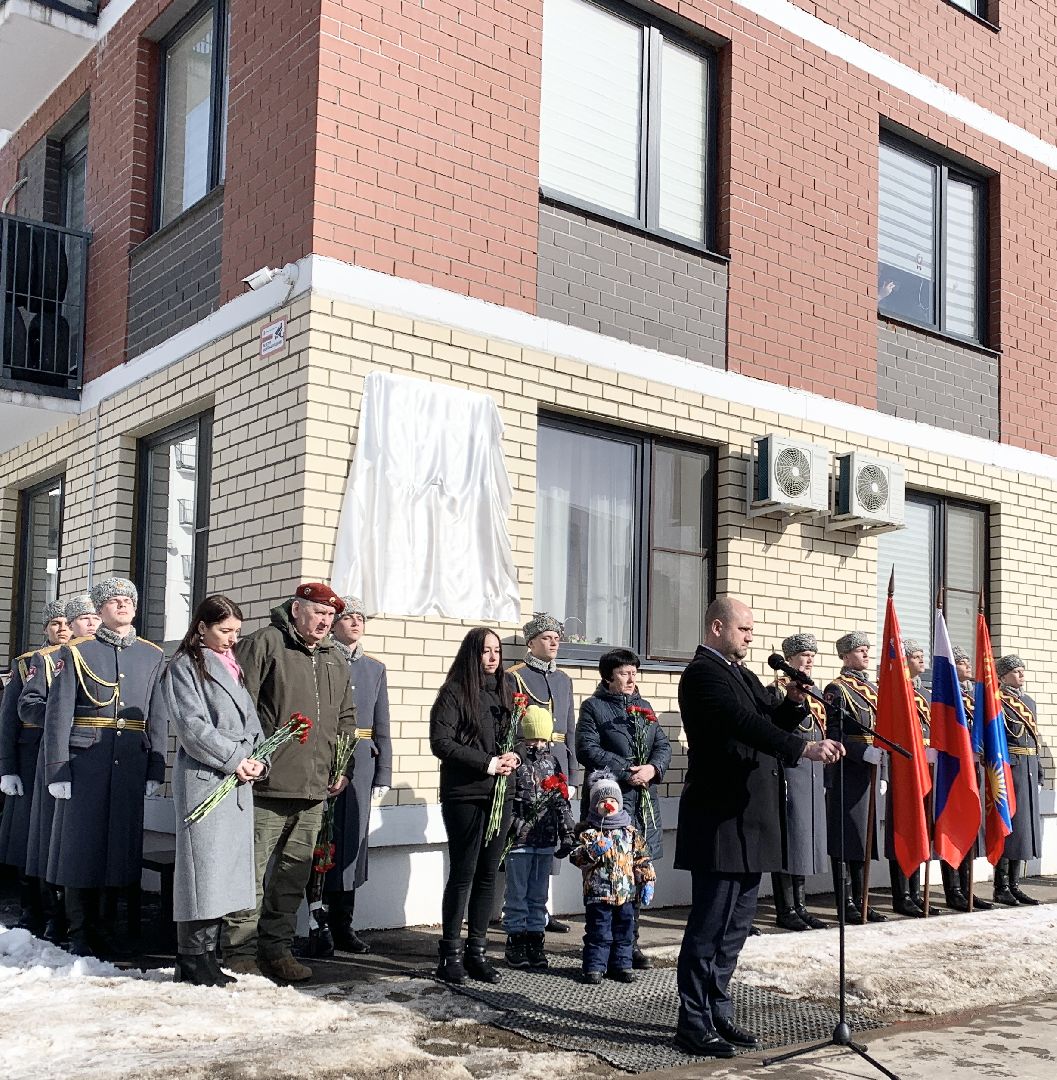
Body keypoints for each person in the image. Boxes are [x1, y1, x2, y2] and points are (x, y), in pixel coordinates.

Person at [674, 598, 844, 1058]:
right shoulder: (703, 673)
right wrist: (802, 748)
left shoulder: (740, 673)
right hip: (720, 818)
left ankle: (719, 1012)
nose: (751, 636)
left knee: (736, 926)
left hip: (750, 820)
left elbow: (766, 716)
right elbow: (743, 724)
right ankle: (692, 1022)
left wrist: (791, 703)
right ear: (717, 627)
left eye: (751, 630)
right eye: (744, 629)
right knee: (709, 926)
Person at [224, 582, 357, 982]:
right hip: (266, 784)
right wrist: (244, 759)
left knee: (292, 875)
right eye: (318, 613)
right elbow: (237, 705)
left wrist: (341, 767)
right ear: (297, 610)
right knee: (252, 871)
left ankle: (276, 950)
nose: (325, 622)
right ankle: (238, 951)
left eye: (331, 616)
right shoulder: (265, 642)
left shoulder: (336, 657)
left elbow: (346, 717)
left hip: (315, 787)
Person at [42, 578, 167, 958]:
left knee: (119, 849)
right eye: (113, 601)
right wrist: (58, 769)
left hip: (130, 762)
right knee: (81, 849)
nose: (123, 605)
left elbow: (156, 716)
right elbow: (58, 713)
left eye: (128, 599)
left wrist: (154, 769)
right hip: (86, 762)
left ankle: (106, 927)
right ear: (99, 610)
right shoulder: (78, 651)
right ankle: (78, 929)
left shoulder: (151, 654)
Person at [151, 595, 266, 986]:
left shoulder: (230, 666)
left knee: (222, 872)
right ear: (202, 626)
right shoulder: (185, 665)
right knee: (203, 871)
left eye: (237, 631)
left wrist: (260, 755)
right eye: (224, 630)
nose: (232, 638)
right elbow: (192, 727)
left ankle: (207, 955)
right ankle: (192, 956)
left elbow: (251, 719)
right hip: (207, 776)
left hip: (235, 777)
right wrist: (236, 758)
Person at [430, 626, 517, 985]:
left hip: (501, 792)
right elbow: (441, 742)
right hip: (465, 793)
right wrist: (487, 763)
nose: (493, 656)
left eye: (497, 650)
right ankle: (450, 954)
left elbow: (518, 735)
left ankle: (477, 952)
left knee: (488, 874)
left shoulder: (508, 690)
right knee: (464, 873)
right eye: (485, 651)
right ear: (472, 654)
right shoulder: (453, 692)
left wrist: (515, 758)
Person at [575, 647, 671, 968]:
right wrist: (628, 770)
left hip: (642, 801)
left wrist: (653, 769)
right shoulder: (593, 708)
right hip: (611, 803)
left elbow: (662, 745)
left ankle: (630, 945)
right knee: (608, 874)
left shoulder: (644, 707)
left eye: (634, 672)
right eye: (624, 673)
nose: (632, 678)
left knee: (635, 873)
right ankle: (601, 948)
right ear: (608, 677)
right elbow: (587, 749)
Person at [22, 594, 102, 944]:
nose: (86, 625)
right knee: (50, 841)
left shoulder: (106, 657)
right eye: (78, 619)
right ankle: (52, 915)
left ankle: (90, 920)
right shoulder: (45, 660)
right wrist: (62, 720)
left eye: (91, 618)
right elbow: (27, 708)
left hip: (91, 758)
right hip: (56, 757)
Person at [321, 595, 391, 955]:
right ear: (334, 624)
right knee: (321, 839)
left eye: (361, 617)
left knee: (352, 843)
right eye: (349, 617)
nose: (356, 623)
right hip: (324, 757)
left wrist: (383, 774)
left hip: (361, 763)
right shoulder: (321, 658)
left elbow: (382, 725)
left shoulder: (375, 668)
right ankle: (318, 925)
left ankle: (344, 924)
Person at [507, 612, 580, 933]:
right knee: (525, 838)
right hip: (529, 765)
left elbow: (571, 731)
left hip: (559, 764)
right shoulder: (515, 676)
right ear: (531, 642)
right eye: (547, 638)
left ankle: (542, 909)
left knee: (551, 835)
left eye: (557, 638)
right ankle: (520, 912)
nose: (554, 643)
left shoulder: (563, 679)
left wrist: (573, 776)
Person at [0, 600, 70, 934]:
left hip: (67, 759)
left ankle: (59, 912)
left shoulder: (83, 661)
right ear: (44, 628)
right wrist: (7, 768)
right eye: (55, 623)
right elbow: (8, 722)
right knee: (28, 836)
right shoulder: (29, 662)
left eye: (67, 622)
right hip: (30, 760)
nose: (62, 629)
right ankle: (31, 910)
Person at [503, 704, 576, 970]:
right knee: (517, 895)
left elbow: (560, 801)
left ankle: (536, 940)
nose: (537, 744)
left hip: (545, 842)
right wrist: (516, 825)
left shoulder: (552, 762)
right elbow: (505, 803)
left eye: (542, 739)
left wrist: (568, 832)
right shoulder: (515, 763)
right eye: (532, 738)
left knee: (538, 896)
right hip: (520, 843)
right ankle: (515, 940)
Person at [766, 633, 828, 931]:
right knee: (790, 838)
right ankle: (785, 908)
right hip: (790, 770)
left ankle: (801, 906)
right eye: (803, 655)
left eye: (812, 655)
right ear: (789, 659)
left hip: (813, 772)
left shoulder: (813, 691)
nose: (809, 659)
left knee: (805, 840)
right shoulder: (777, 692)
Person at [569, 770, 655, 985]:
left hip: (626, 894)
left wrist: (647, 879)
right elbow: (576, 858)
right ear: (594, 805)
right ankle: (595, 967)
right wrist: (592, 850)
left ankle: (622, 965)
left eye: (612, 800)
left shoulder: (630, 832)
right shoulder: (589, 833)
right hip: (599, 895)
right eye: (603, 801)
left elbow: (642, 858)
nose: (608, 804)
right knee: (599, 932)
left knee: (624, 932)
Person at [824, 631, 886, 925]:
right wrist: (861, 753)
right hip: (846, 769)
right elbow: (833, 735)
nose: (865, 654)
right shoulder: (837, 690)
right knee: (847, 838)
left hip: (869, 770)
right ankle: (846, 903)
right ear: (845, 655)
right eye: (860, 650)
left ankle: (862, 901)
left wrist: (881, 767)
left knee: (864, 840)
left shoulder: (872, 689)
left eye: (866, 650)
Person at [941, 645, 992, 912]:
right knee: (952, 827)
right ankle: (954, 891)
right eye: (961, 662)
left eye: (967, 661)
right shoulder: (947, 698)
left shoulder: (972, 697)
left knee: (971, 826)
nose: (968, 665)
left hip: (974, 769)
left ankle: (968, 888)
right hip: (954, 770)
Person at [886, 639, 930, 918]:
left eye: (921, 655)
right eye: (915, 656)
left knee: (920, 828)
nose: (921, 660)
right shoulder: (892, 691)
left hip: (924, 766)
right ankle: (901, 895)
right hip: (902, 767)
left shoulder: (923, 693)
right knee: (904, 827)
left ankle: (914, 893)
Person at [994, 655, 1042, 907]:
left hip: (1029, 767)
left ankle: (1015, 884)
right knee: (1010, 826)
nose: (1021, 675)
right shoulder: (997, 701)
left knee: (1025, 830)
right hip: (1011, 770)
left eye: (1023, 670)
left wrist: (1040, 769)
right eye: (1015, 671)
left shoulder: (1029, 702)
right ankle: (1001, 886)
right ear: (1002, 676)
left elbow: (1034, 739)